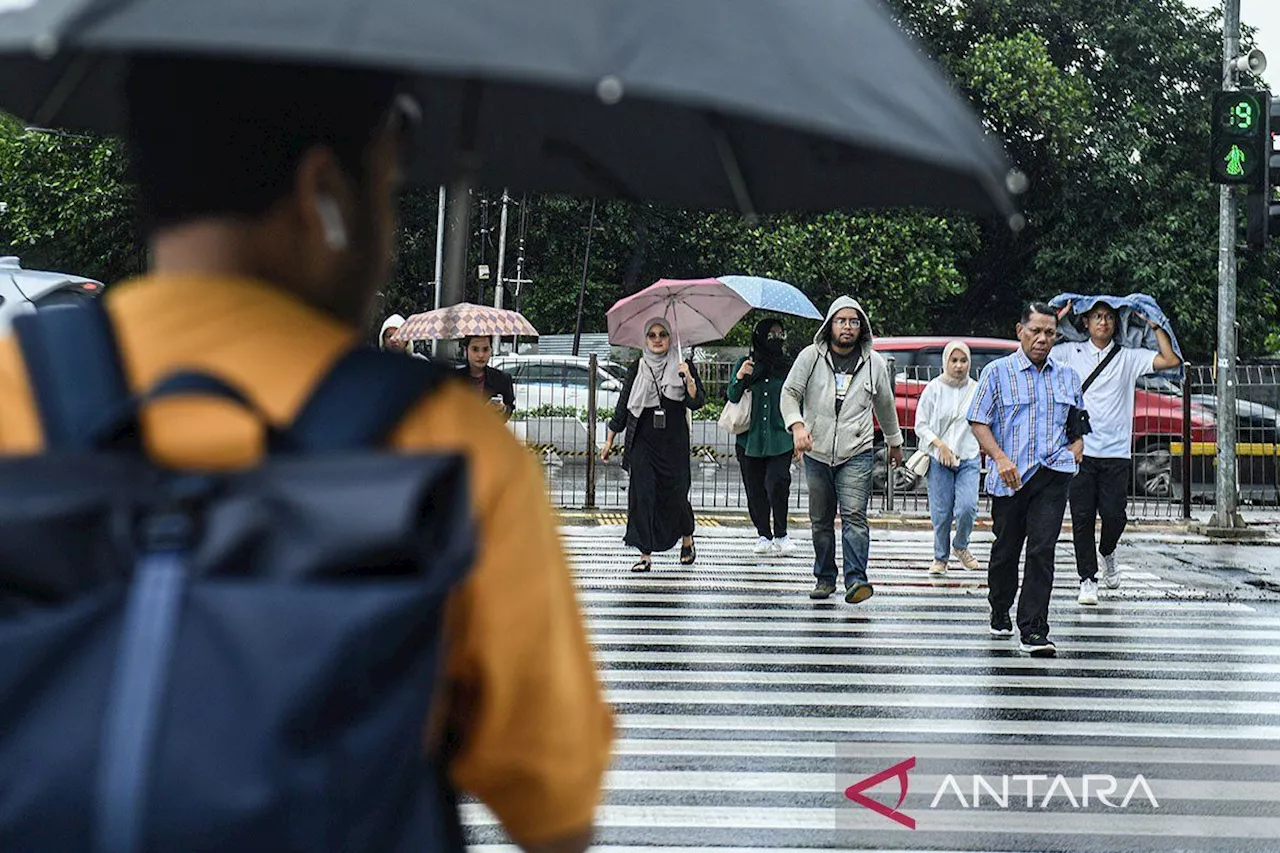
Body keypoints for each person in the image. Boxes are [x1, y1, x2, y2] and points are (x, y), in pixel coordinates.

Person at [0, 56, 610, 853]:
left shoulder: (16, 392)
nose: (386, 236)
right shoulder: (443, 440)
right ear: (324, 189)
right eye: (386, 191)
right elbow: (555, 803)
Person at [967, 303, 1084, 657]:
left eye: (1050, 333)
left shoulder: (1067, 376)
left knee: (1042, 550)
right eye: (1036, 331)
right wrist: (999, 457)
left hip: (1053, 474)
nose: (1042, 339)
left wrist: (1077, 445)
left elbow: (1078, 421)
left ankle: (1034, 629)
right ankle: (999, 605)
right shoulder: (997, 373)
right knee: (1006, 551)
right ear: (1020, 331)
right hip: (1011, 476)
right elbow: (977, 420)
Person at [1051, 300, 1181, 606]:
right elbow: (1035, 348)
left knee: (1115, 516)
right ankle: (1087, 579)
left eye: (1109, 317)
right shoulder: (1071, 353)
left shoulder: (1127, 357)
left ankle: (1108, 550)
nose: (1103, 322)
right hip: (1080, 449)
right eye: (1096, 316)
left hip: (1117, 451)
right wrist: (1056, 319)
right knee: (1081, 518)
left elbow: (1170, 359)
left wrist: (1155, 326)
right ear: (1085, 322)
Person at [780, 297, 903, 604]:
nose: (847, 327)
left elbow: (885, 404)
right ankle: (824, 578)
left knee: (854, 517)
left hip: (856, 450)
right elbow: (789, 393)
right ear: (829, 326)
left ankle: (856, 580)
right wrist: (797, 426)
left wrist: (894, 441)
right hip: (817, 450)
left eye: (853, 321)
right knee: (821, 520)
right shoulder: (810, 357)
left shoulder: (874, 362)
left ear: (862, 327)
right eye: (841, 321)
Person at [600, 318, 706, 572]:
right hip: (643, 441)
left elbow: (697, 402)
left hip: (673, 442)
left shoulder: (683, 364)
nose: (657, 339)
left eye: (662, 334)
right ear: (645, 340)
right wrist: (610, 439)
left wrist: (689, 380)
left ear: (671, 338)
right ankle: (644, 554)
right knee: (643, 495)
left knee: (676, 493)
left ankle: (687, 539)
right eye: (651, 335)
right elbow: (624, 405)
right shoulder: (638, 367)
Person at [726, 317, 796, 555]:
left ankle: (781, 533)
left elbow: (798, 397)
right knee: (754, 489)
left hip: (780, 437)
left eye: (780, 334)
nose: (776, 339)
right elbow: (732, 396)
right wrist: (741, 376)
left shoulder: (788, 366)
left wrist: (799, 431)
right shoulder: (745, 363)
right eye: (770, 335)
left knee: (778, 483)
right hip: (750, 438)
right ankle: (763, 534)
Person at [914, 340, 981, 576]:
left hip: (968, 457)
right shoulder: (933, 388)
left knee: (967, 508)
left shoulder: (975, 389)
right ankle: (940, 557)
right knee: (941, 513)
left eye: (963, 360)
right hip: (938, 459)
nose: (959, 366)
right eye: (954, 360)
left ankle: (960, 546)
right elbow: (920, 424)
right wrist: (939, 445)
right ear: (945, 362)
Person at [457, 335, 516, 420]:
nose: (481, 355)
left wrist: (502, 409)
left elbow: (509, 409)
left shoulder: (502, 379)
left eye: (485, 349)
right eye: (475, 349)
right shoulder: (453, 379)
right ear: (466, 350)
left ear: (491, 350)